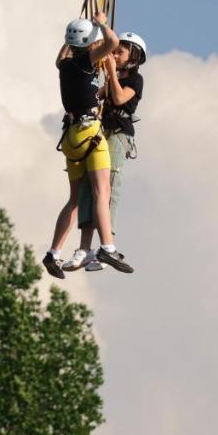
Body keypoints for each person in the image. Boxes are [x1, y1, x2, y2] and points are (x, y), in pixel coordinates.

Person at [43, 11, 134, 278]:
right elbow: (113, 42)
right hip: (90, 133)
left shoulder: (65, 64)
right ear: (89, 45)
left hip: (71, 138)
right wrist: (102, 24)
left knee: (73, 199)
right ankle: (107, 246)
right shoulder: (86, 61)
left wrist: (81, 29)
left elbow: (63, 53)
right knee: (101, 192)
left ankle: (53, 253)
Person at [61, 30, 146, 272]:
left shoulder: (134, 81)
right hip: (100, 132)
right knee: (90, 188)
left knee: (109, 190)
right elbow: (96, 96)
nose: (115, 54)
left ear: (133, 57)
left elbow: (119, 99)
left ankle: (107, 246)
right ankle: (85, 248)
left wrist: (109, 71)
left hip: (118, 135)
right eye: (114, 51)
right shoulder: (111, 77)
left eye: (120, 52)